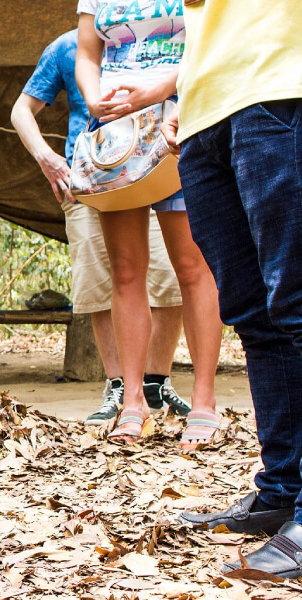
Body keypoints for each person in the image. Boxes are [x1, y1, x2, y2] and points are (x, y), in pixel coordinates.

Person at [161, 1, 302, 578]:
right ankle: (282, 488)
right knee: (255, 315)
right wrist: (184, 96)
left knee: (297, 303)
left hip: (280, 82)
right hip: (205, 113)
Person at [10, 29, 188, 426]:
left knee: (171, 280)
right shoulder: (66, 47)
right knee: (99, 284)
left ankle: (157, 380)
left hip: (156, 170)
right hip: (93, 178)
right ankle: (119, 386)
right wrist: (47, 157)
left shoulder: (158, 30)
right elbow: (20, 110)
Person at [74, 0, 223, 448]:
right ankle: (134, 401)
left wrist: (160, 93)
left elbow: (210, 40)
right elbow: (86, 52)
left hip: (180, 123)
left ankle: (204, 401)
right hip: (116, 134)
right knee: (125, 269)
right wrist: (90, 94)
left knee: (192, 266)